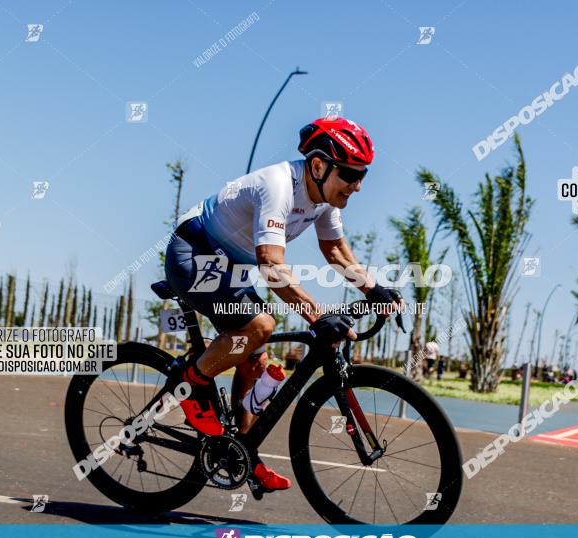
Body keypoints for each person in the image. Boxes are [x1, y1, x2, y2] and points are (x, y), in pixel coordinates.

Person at [165, 117, 402, 492]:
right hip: (194, 251)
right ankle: (191, 382)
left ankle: (241, 451)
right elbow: (272, 264)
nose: (357, 185)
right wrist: (318, 316)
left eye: (363, 175)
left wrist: (374, 290)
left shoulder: (325, 198)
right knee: (260, 327)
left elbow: (335, 250)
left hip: (232, 264)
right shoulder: (279, 186)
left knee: (255, 357)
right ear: (319, 165)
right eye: (351, 174)